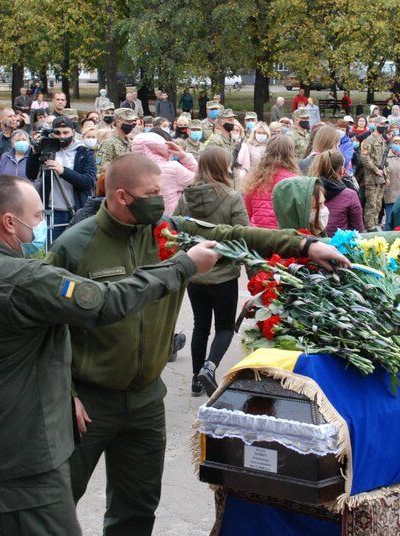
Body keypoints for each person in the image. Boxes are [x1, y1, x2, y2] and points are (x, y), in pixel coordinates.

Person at [0, 174, 221, 536]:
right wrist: (183, 265)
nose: (40, 225)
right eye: (36, 217)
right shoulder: (23, 278)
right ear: (9, 222)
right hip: (24, 459)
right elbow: (105, 301)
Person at [47, 153, 349, 535]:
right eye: (151, 193)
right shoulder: (75, 245)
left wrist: (305, 247)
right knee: (57, 504)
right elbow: (47, 325)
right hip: (89, 402)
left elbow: (237, 234)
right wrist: (65, 389)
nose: (160, 200)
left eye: (160, 191)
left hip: (144, 400)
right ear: (122, 196)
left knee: (136, 509)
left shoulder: (172, 232)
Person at [172, 147, 248, 395]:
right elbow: (242, 235)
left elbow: (175, 230)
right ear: (222, 166)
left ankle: (195, 378)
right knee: (225, 327)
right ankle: (210, 366)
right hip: (224, 273)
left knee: (200, 326)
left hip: (195, 272)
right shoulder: (232, 197)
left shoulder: (187, 197)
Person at [25, 116, 96, 240]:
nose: (62, 136)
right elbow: (31, 174)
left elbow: (88, 182)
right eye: (57, 133)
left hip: (76, 209)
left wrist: (63, 171)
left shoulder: (84, 152)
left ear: (73, 132)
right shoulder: (46, 149)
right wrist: (34, 152)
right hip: (53, 210)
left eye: (66, 132)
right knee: (52, 251)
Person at [131, 132, 197, 216]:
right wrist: (185, 156)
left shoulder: (131, 169)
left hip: (140, 221)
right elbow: (197, 178)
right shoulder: (172, 168)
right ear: (161, 146)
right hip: (168, 221)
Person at [242, 135, 299, 228]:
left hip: (256, 232)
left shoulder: (255, 177)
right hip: (282, 233)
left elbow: (247, 210)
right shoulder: (294, 180)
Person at [311, 149, 363, 234]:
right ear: (341, 169)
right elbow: (358, 231)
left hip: (314, 244)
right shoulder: (350, 195)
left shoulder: (309, 190)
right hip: (339, 245)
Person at [359, 116, 389, 231]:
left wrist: (386, 175)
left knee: (378, 203)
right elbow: (364, 157)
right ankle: (370, 227)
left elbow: (385, 160)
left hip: (382, 177)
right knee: (371, 203)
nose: (384, 127)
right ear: (376, 125)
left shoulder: (383, 140)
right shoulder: (369, 140)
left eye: (385, 125)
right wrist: (376, 170)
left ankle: (376, 224)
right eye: (381, 125)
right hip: (372, 177)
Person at [97, 107, 138, 176]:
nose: (132, 124)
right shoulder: (108, 143)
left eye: (132, 121)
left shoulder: (130, 143)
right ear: (118, 122)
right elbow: (100, 165)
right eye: (128, 121)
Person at [382, 134, 400, 227]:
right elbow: (381, 169)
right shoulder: (385, 156)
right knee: (390, 216)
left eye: (399, 142)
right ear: (391, 144)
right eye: (395, 142)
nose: (397, 144)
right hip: (390, 189)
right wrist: (385, 178)